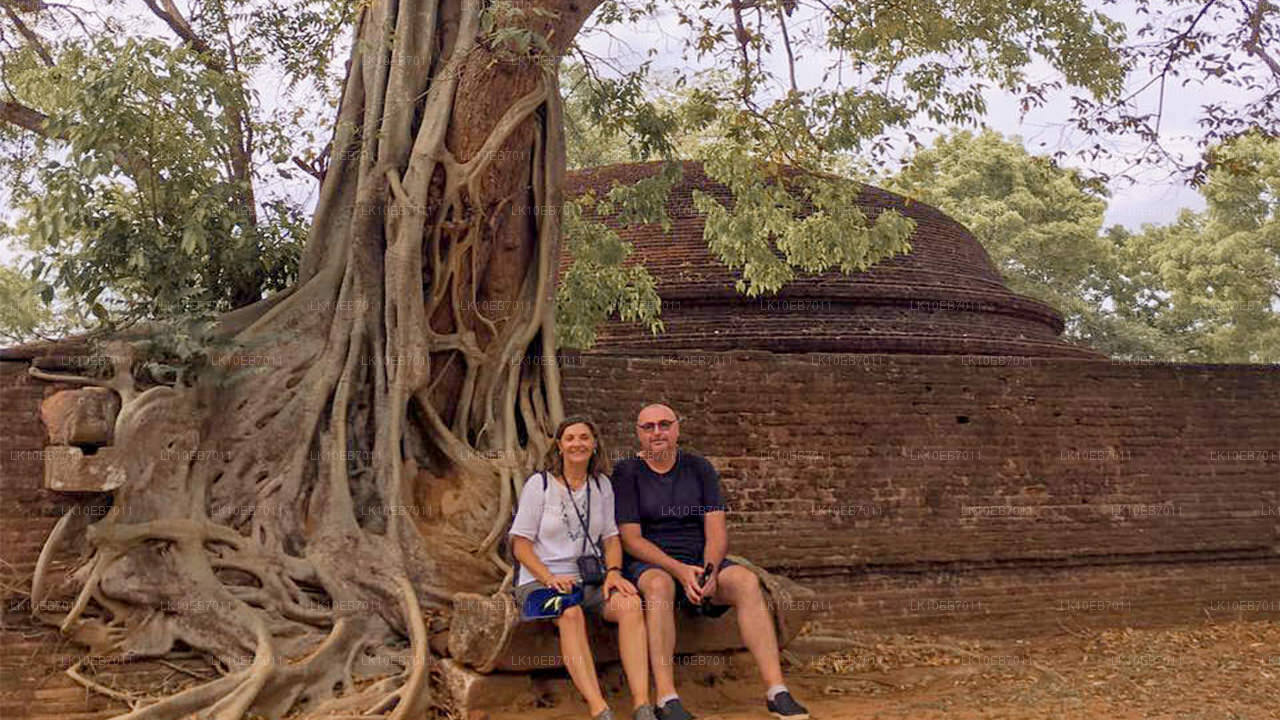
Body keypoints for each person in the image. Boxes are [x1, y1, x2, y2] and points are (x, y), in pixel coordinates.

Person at [612, 404, 810, 720]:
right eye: (648, 427)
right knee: (659, 585)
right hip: (652, 561)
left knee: (745, 581)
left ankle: (777, 691)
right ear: (638, 433)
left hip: (699, 559)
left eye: (664, 425)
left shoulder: (698, 468)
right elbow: (631, 538)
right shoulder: (626, 472)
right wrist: (677, 570)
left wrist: (710, 571)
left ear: (677, 428)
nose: (657, 432)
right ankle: (666, 698)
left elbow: (716, 531)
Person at [509, 416, 658, 720]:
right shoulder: (540, 485)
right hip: (540, 582)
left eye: (584, 438)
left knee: (630, 605)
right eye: (570, 438)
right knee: (570, 612)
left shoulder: (601, 485)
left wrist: (614, 572)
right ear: (560, 447)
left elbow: (612, 538)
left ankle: (642, 704)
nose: (577, 443)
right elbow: (520, 545)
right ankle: (598, 707)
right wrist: (549, 578)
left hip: (589, 580)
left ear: (594, 444)